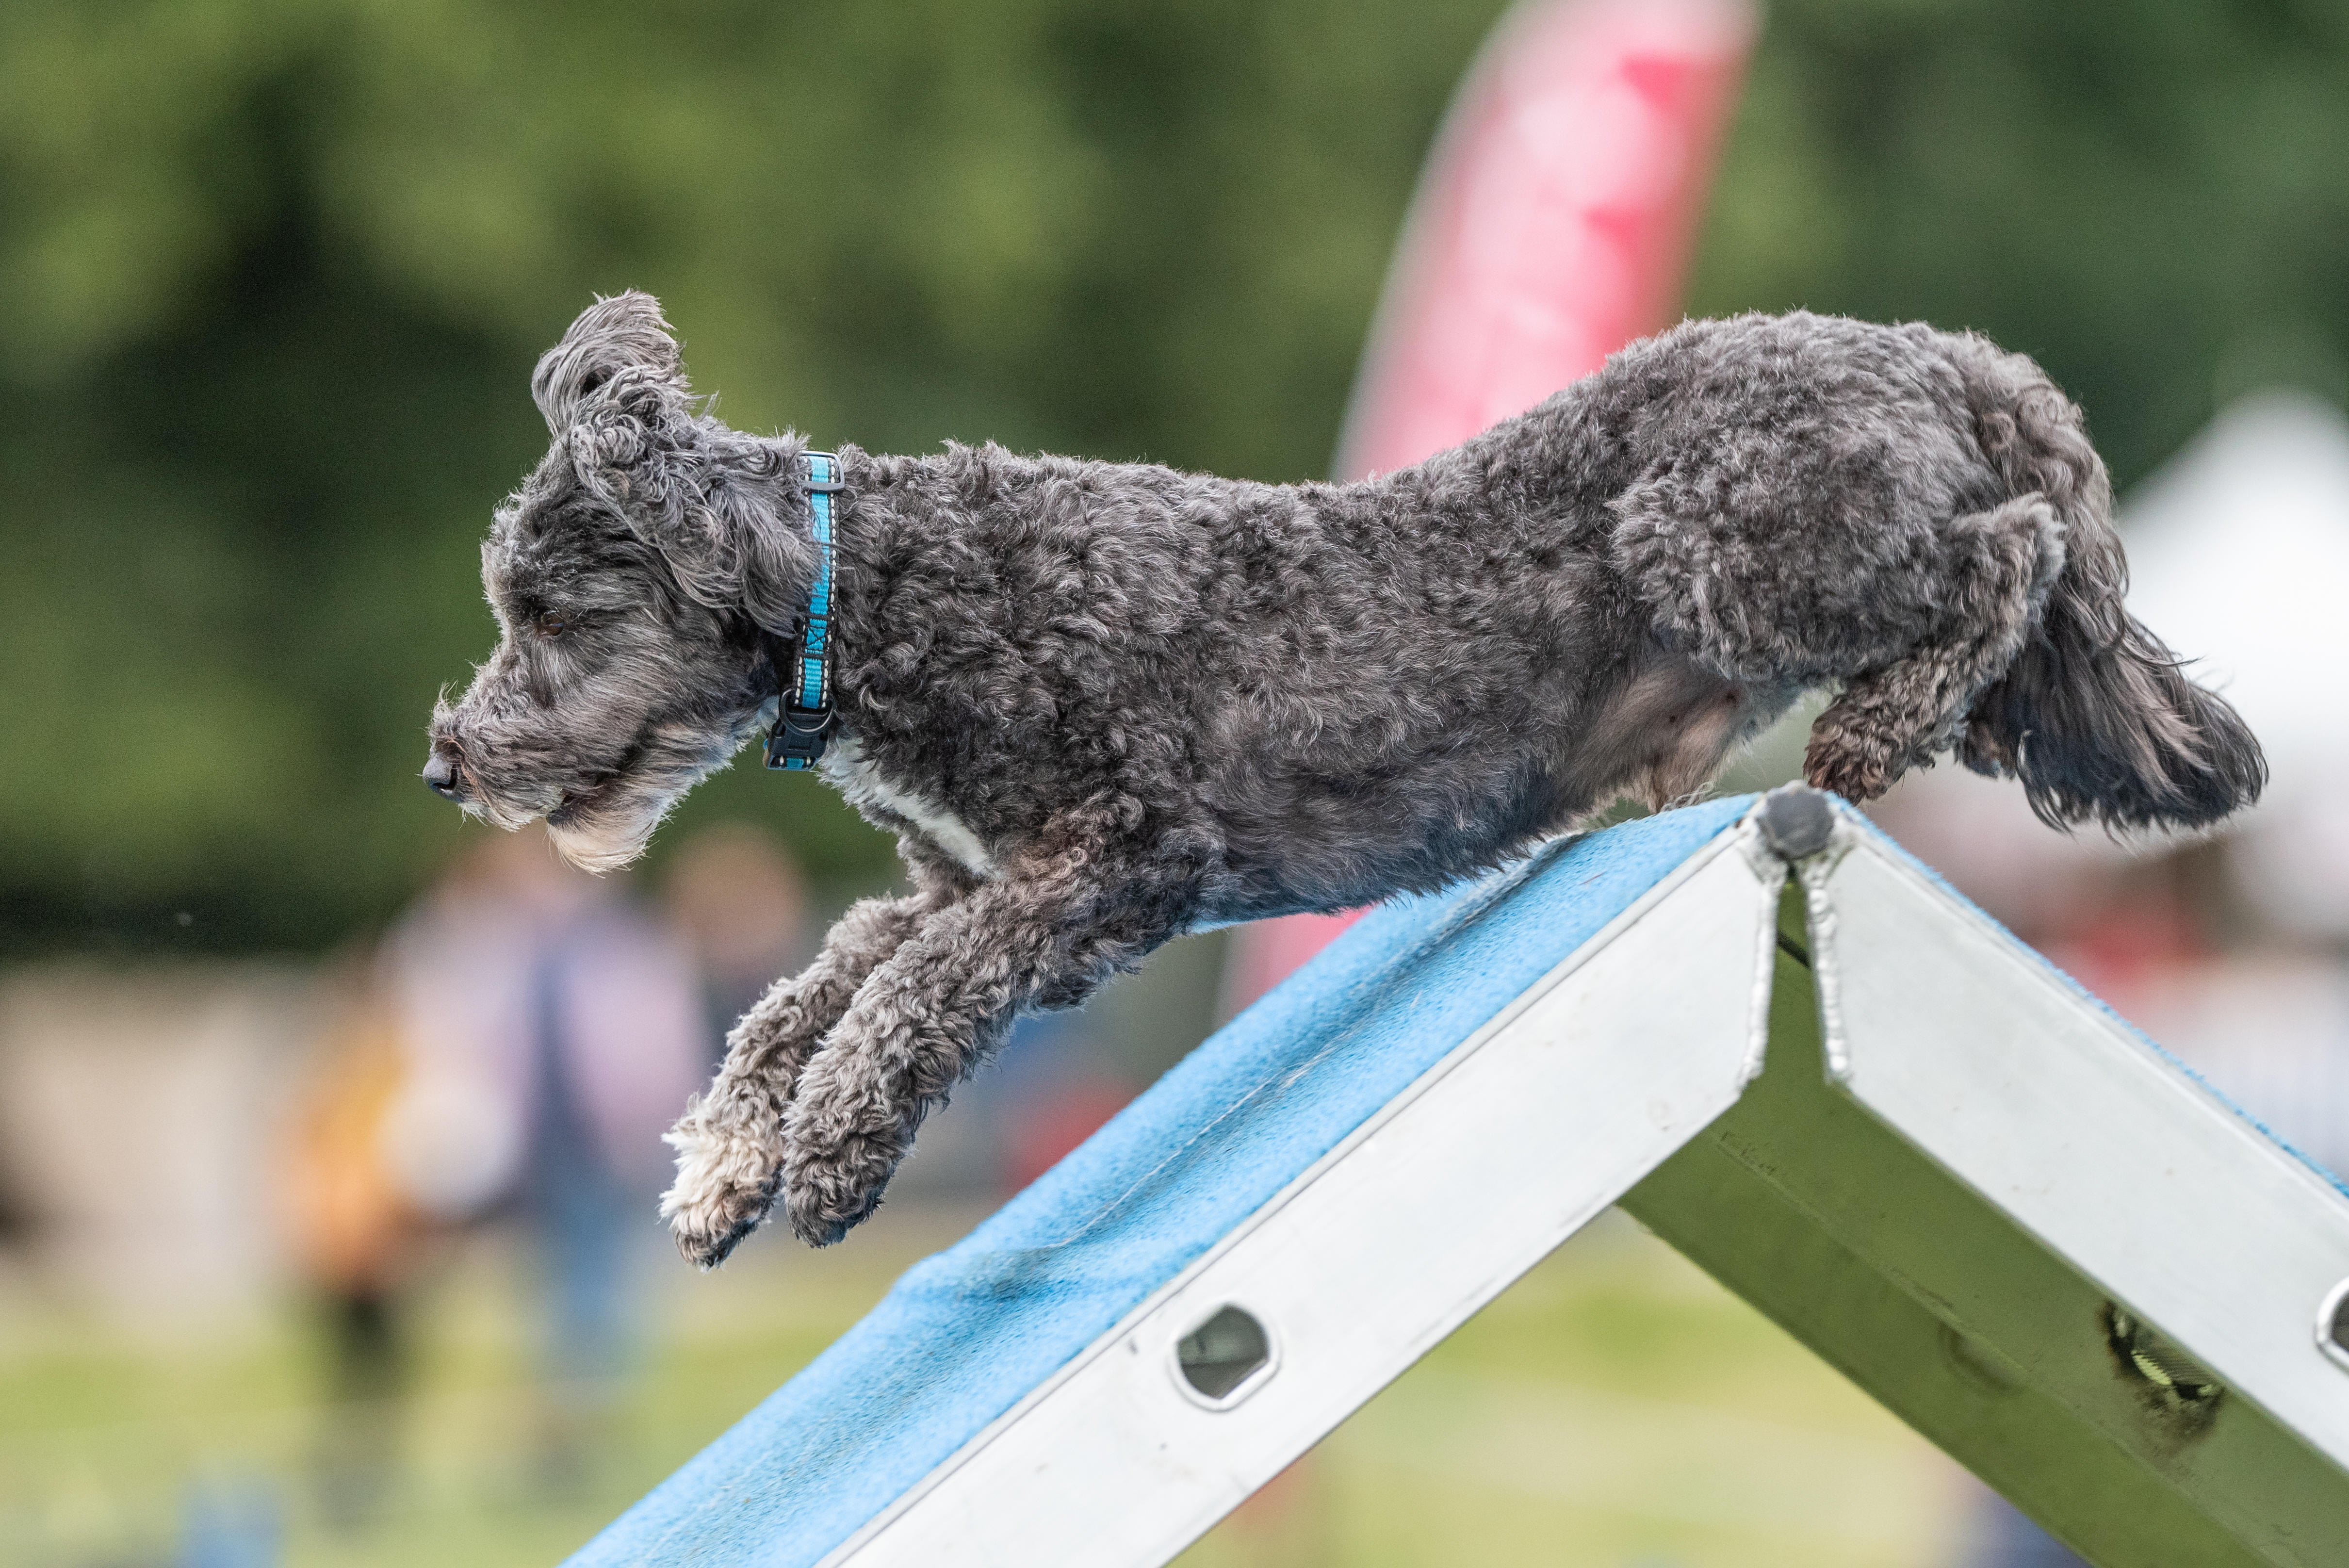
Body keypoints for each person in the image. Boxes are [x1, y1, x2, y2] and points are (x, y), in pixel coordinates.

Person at [379, 824, 705, 1486]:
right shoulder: (483, 946)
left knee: (591, 1296)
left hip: (594, 1150)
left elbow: (660, 1045)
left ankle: (571, 1437)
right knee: (517, 1295)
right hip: (507, 1149)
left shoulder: (621, 948)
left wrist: (658, 1125)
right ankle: (518, 1426)